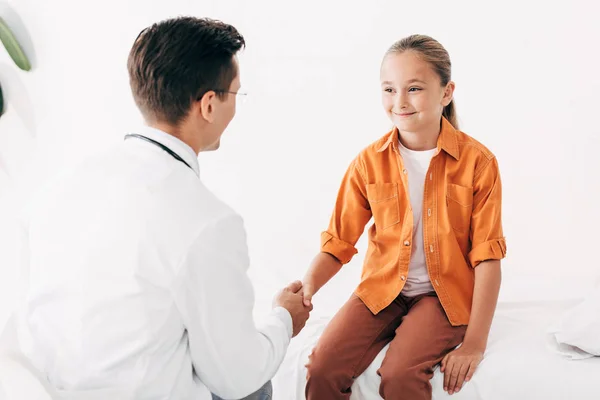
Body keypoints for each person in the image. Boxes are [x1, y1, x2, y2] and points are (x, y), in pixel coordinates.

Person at [14, 16, 311, 400]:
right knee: (258, 385)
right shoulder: (208, 221)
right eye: (235, 94)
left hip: (47, 390)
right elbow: (236, 377)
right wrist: (284, 318)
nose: (235, 106)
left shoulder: (55, 188)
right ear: (208, 104)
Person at [301, 34, 506, 399]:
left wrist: (474, 343)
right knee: (321, 369)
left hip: (443, 298)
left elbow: (487, 257)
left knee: (398, 375)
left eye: (414, 88)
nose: (399, 102)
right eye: (389, 89)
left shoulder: (479, 163)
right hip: (382, 291)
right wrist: (307, 288)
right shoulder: (368, 162)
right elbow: (338, 242)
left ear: (446, 93)